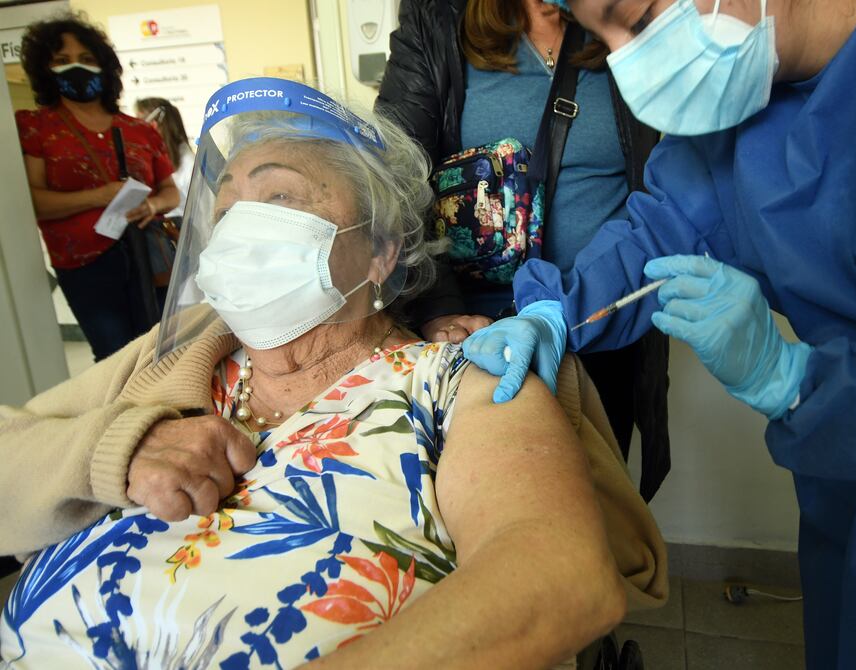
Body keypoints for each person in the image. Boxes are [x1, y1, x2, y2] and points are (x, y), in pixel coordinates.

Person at [0, 79, 666, 668]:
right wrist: (114, 451)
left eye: (279, 195)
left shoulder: (461, 379)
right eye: (226, 210)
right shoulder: (177, 356)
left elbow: (558, 575)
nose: (239, 231)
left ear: (381, 250)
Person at [462, 0, 856, 667]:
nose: (626, 63)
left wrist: (795, 383)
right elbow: (665, 228)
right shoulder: (747, 91)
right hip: (854, 487)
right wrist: (557, 312)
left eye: (637, 17)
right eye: (596, 33)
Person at [377, 0, 670, 497]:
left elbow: (661, 191)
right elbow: (394, 176)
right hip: (477, 332)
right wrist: (440, 309)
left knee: (596, 499)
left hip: (599, 321)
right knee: (494, 495)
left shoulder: (622, 23)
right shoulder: (438, 19)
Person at [16, 14, 180, 361]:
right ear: (45, 68)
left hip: (146, 253)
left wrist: (151, 206)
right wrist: (99, 196)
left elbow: (170, 192)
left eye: (87, 58)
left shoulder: (139, 130)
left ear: (104, 66)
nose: (76, 67)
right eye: (62, 60)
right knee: (114, 356)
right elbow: (33, 201)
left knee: (163, 347)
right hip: (85, 265)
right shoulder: (37, 127)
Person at [134, 97, 195, 223]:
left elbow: (203, 212)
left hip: (180, 230)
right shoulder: (154, 158)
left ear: (153, 124)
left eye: (138, 122)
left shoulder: (189, 163)